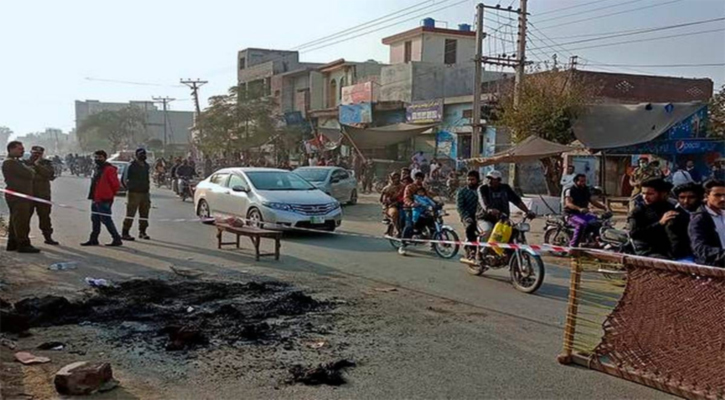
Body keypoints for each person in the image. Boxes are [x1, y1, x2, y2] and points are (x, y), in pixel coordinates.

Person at [2, 141, 40, 253]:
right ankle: (23, 244)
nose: (22, 150)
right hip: (18, 196)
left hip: (20, 195)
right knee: (21, 221)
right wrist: (31, 170)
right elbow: (30, 174)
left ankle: (12, 243)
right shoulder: (10, 163)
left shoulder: (16, 162)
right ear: (11, 149)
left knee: (15, 220)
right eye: (19, 149)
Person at [478, 170, 535, 241]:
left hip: (502, 218)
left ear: (498, 180)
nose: (489, 181)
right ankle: (481, 251)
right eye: (488, 178)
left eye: (492, 179)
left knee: (513, 232)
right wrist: (489, 209)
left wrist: (527, 211)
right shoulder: (483, 188)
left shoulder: (505, 188)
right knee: (488, 230)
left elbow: (516, 201)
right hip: (485, 218)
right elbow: (483, 202)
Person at [81, 150, 123, 247]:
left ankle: (116, 238)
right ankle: (93, 239)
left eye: (100, 157)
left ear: (104, 158)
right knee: (95, 219)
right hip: (95, 198)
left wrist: (109, 194)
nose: (97, 159)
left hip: (104, 199)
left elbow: (115, 184)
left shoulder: (109, 169)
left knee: (106, 219)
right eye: (96, 157)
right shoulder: (96, 168)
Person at [627, 178, 676, 259]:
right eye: (643, 193)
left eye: (650, 194)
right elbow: (635, 233)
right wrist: (660, 223)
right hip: (647, 250)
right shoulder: (638, 211)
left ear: (662, 194)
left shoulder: (670, 207)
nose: (645, 197)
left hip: (668, 249)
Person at [564, 174, 610, 247]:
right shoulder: (570, 190)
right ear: (576, 181)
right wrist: (579, 208)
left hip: (584, 214)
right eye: (581, 181)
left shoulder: (586, 190)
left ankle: (595, 242)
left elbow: (593, 201)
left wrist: (604, 207)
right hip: (572, 215)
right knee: (581, 224)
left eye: (585, 181)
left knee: (597, 222)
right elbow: (568, 203)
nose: (583, 183)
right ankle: (573, 247)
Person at [688, 180, 725, 267]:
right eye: (717, 195)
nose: (723, 199)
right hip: (713, 268)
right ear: (706, 196)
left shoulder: (723, 213)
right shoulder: (699, 219)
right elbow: (699, 248)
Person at [27, 146, 59, 245]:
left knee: (45, 217)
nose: (36, 155)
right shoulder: (24, 163)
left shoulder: (46, 163)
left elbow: (50, 174)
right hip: (28, 195)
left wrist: (37, 166)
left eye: (39, 153)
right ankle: (23, 239)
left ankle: (48, 237)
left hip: (43, 195)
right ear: (31, 152)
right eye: (34, 153)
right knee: (24, 218)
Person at [666, 183, 703, 262]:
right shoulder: (673, 216)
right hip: (684, 256)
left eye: (691, 197)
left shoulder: (706, 213)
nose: (686, 201)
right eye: (682, 197)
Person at [122, 148, 151, 241]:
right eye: (141, 154)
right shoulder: (131, 165)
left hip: (145, 193)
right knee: (130, 214)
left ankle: (142, 232)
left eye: (144, 154)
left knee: (145, 214)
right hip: (134, 193)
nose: (143, 156)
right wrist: (130, 188)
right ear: (136, 155)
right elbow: (124, 179)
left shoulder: (146, 166)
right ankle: (125, 232)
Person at [399, 172, 429, 256]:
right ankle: (402, 245)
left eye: (420, 178)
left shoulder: (424, 188)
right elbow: (406, 198)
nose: (419, 180)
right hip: (409, 208)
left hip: (422, 208)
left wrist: (437, 202)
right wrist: (411, 203)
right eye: (417, 178)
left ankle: (434, 243)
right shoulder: (409, 187)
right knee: (409, 225)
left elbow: (429, 197)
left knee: (431, 220)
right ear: (415, 179)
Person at [457, 170, 480, 259]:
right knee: (470, 227)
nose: (470, 181)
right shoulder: (462, 192)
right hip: (468, 216)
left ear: (477, 180)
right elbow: (460, 207)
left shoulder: (481, 190)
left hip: (481, 216)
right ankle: (472, 249)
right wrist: (466, 217)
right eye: (469, 179)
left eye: (472, 179)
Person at [380, 172, 405, 236]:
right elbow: (383, 200)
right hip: (392, 206)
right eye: (394, 177)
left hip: (404, 205)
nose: (396, 179)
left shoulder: (403, 186)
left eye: (398, 177)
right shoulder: (387, 188)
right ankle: (397, 229)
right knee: (394, 213)